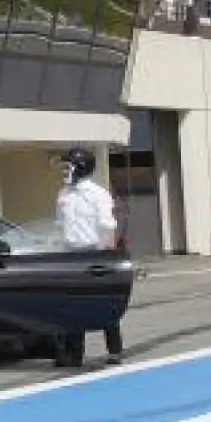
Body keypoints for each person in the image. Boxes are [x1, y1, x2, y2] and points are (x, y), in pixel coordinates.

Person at [53, 146, 124, 366]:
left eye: (69, 166)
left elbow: (108, 226)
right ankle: (73, 355)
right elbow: (60, 225)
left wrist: (110, 260)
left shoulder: (98, 194)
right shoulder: (63, 194)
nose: (65, 171)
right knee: (73, 305)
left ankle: (114, 350)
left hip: (95, 253)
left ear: (81, 167)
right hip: (71, 255)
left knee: (102, 304)